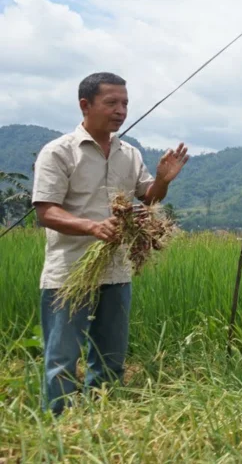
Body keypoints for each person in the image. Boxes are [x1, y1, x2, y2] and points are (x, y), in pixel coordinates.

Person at [31, 72, 189, 416]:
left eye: (125, 103)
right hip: (69, 272)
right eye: (112, 103)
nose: (121, 110)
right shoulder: (58, 153)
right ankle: (59, 428)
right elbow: (46, 211)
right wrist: (91, 226)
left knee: (110, 358)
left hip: (116, 271)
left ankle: (101, 422)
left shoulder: (128, 153)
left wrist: (162, 180)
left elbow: (148, 199)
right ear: (85, 105)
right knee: (62, 360)